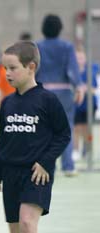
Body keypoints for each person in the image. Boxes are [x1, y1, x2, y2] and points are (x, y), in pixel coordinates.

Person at [0, 41, 71, 233]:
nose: (7, 73)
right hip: (10, 173)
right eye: (5, 68)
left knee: (27, 222)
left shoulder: (48, 100)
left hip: (36, 173)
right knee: (15, 228)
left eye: (13, 68)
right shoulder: (7, 103)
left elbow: (63, 134)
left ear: (31, 67)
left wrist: (45, 161)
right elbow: (4, 141)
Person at [36, 14, 84, 176]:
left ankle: (45, 165)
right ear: (60, 29)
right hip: (63, 91)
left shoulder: (38, 46)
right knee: (66, 128)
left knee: (43, 129)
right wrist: (79, 87)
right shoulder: (67, 47)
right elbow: (73, 70)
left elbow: (33, 69)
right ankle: (68, 165)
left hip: (42, 91)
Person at [72, 46, 98, 160]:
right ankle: (76, 151)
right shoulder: (72, 72)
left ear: (85, 59)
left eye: (81, 58)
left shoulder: (90, 72)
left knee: (87, 129)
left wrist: (85, 88)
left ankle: (87, 151)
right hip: (76, 105)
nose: (79, 60)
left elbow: (93, 89)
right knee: (76, 129)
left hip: (89, 105)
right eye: (77, 58)